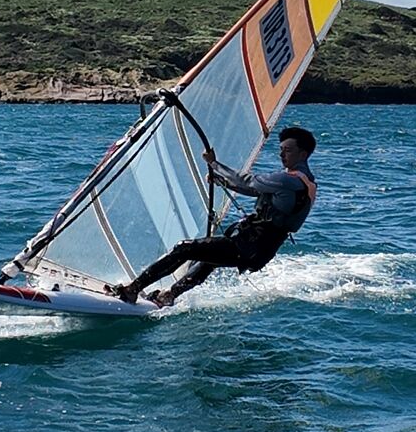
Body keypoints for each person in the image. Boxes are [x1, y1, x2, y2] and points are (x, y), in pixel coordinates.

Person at [109, 126, 317, 307]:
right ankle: (169, 296)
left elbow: (249, 181)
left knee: (184, 249)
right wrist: (222, 181)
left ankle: (132, 289)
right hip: (259, 249)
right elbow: (255, 191)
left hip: (249, 246)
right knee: (208, 260)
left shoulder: (287, 180)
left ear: (303, 153)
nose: (282, 154)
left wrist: (215, 164)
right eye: (280, 149)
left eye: (287, 150)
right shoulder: (305, 182)